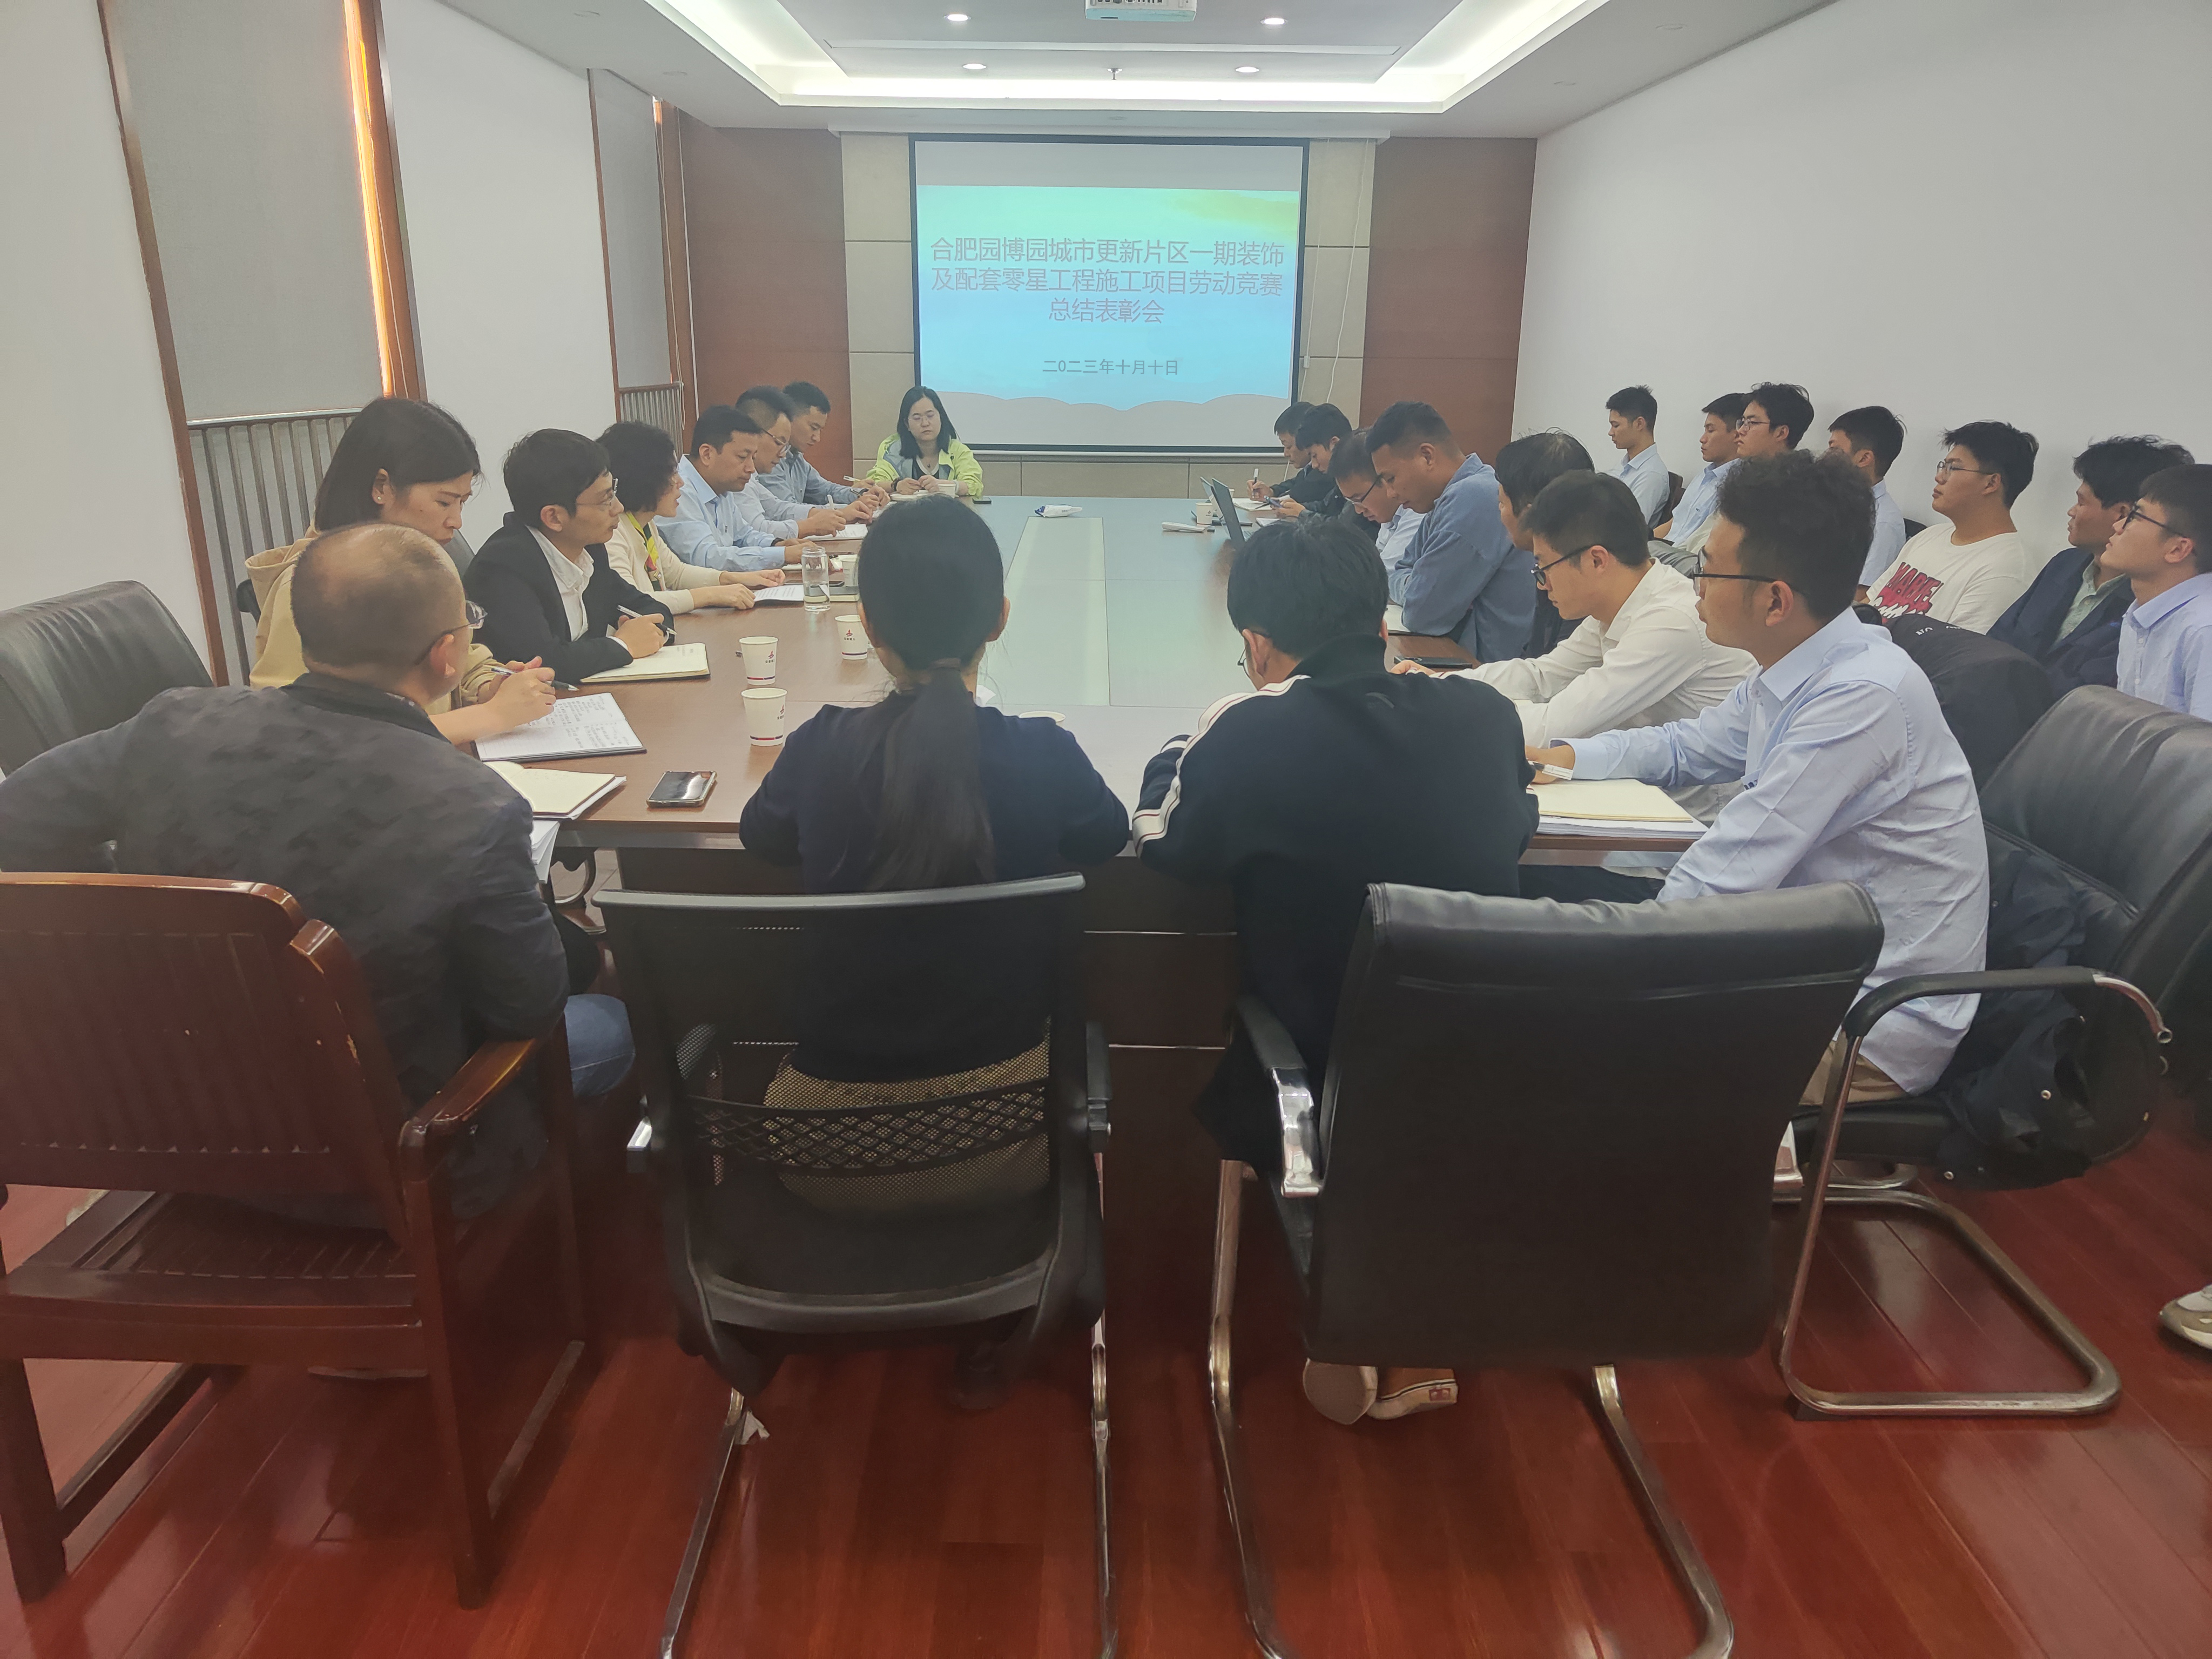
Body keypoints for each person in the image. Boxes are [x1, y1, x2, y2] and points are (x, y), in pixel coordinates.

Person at [0, 524, 634, 1222]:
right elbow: (528, 1008)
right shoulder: (472, 804)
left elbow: (14, 824)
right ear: (447, 655)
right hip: (394, 1167)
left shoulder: (171, 723)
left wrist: (119, 919)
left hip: (181, 1129)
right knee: (609, 1018)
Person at [1134, 514, 1533, 1425]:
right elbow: (1519, 824)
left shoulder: (1249, 730)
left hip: (1317, 1077)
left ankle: (1358, 1306)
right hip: (1491, 1065)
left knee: (1311, 1035)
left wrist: (1175, 756)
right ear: (1381, 620)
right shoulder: (1485, 715)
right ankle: (1408, 1313)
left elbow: (1166, 845)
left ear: (1257, 644)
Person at [1529, 451, 1988, 1107]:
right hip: (1797, 962)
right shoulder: (1796, 663)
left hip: (1859, 1023)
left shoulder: (1861, 697)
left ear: (1775, 600)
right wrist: (1564, 757)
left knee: (1567, 1045)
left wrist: (1596, 963)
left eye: (1708, 569)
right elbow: (1686, 746)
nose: (1693, 585)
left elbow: (1731, 867)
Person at [737, 496, 1128, 1221]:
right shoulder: (1042, 753)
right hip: (1008, 1143)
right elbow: (1107, 836)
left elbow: (761, 838)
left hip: (826, 1153)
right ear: (999, 619)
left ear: (871, 628)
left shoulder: (822, 745)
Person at [245, 398, 555, 745]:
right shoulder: (319, 583)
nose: (456, 521)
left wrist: (491, 685)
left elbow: (463, 659)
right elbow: (298, 731)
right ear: (382, 488)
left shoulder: (422, 564)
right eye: (444, 502)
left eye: (462, 503)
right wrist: (489, 716)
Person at [1429, 469, 1751, 747]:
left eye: (1544, 568)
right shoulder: (1620, 603)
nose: (1542, 584)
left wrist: (1440, 709)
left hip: (1676, 799)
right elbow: (1542, 677)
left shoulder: (1671, 622)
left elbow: (1554, 727)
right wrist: (1439, 686)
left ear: (1596, 560)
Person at [1990, 436, 2196, 693]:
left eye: (2082, 502)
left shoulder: (2149, 598)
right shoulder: (2065, 564)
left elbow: (2086, 692)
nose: (2071, 511)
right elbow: (1995, 641)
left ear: (2123, 514)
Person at [464, 429, 672, 684]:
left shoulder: (589, 549)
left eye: (614, 492)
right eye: (605, 500)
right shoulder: (502, 568)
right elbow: (542, 662)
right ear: (554, 517)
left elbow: (651, 608)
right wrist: (623, 645)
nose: (618, 508)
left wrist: (650, 632)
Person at [1366, 400, 1535, 662]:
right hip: (1456, 656)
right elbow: (1399, 570)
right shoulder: (1445, 499)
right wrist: (1414, 584)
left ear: (1427, 456)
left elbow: (1421, 613)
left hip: (1482, 669)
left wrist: (1415, 585)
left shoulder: (1473, 498)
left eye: (1391, 479)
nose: (1391, 493)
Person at [1866, 421, 2044, 631]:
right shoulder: (1929, 536)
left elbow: (1961, 651)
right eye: (1943, 466)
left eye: (1953, 468)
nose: (1939, 477)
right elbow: (1870, 605)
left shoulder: (2005, 570)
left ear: (1991, 483)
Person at [596, 420, 785, 615]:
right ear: (645, 479)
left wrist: (736, 579)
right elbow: (633, 602)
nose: (680, 482)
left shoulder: (644, 524)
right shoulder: (612, 532)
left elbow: (678, 573)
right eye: (671, 474)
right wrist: (711, 595)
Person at [2109, 464, 2212, 717]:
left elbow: (2203, 742)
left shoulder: (2203, 630)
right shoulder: (2140, 612)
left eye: (2135, 516)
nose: (2118, 526)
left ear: (2178, 549)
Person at [660, 404, 789, 575]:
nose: (751, 468)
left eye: (754, 458)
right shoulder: (679, 492)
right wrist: (782, 555)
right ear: (707, 454)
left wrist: (778, 545)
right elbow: (707, 558)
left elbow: (743, 535)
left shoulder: (722, 486)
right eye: (743, 457)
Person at [731, 385, 854, 541]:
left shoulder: (752, 476)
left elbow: (777, 508)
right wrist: (811, 526)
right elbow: (758, 530)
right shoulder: (734, 476)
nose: (783, 454)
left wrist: (840, 512)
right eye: (779, 443)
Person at [764, 380, 888, 515]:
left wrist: (862, 494)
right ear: (789, 419)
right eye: (813, 428)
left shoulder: (796, 457)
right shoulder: (768, 459)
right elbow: (786, 510)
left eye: (820, 430)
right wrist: (845, 511)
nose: (817, 438)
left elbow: (826, 490)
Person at [1825, 406, 1910, 596]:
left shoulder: (1884, 524)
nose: (1826, 457)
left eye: (1834, 450)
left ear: (1864, 459)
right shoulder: (1830, 501)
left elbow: (1861, 597)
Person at [1660, 392, 1748, 551]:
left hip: (1685, 557)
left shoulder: (1736, 485)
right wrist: (1644, 541)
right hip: (1666, 551)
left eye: (1711, 430)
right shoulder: (1704, 475)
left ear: (1737, 435)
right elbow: (1675, 522)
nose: (1703, 439)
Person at [866, 385, 983, 497]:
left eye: (930, 416)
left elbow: (973, 484)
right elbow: (873, 483)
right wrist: (896, 485)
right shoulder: (894, 451)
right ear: (907, 424)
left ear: (941, 418)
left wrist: (944, 486)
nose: (925, 423)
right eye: (917, 418)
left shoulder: (957, 450)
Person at [1326, 430, 1417, 556]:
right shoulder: (1390, 517)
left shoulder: (1416, 515)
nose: (1358, 510)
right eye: (1351, 502)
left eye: (1359, 499)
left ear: (1385, 479)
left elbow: (1385, 568)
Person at [1266, 403, 1354, 516]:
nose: (1314, 465)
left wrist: (1301, 514)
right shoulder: (1340, 475)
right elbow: (1324, 506)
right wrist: (1301, 509)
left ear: (1334, 444)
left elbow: (1343, 524)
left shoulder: (1356, 475)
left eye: (1314, 455)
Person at [1606, 385, 1669, 525]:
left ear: (1639, 424)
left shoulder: (1651, 475)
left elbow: (1629, 527)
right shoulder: (1624, 465)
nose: (1611, 432)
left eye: (1616, 426)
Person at [1248, 401, 1315, 501]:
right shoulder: (1309, 470)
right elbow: (1295, 483)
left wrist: (1275, 499)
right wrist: (1271, 492)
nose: (1285, 454)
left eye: (1288, 446)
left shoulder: (1323, 472)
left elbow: (1298, 494)